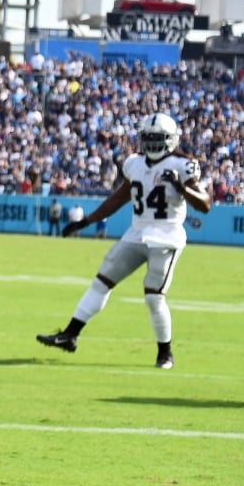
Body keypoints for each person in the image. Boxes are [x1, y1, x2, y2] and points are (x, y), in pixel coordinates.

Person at [36, 113, 211, 370]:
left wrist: (182, 187)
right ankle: (70, 335)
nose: (151, 143)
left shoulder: (183, 165)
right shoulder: (134, 163)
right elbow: (117, 199)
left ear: (171, 140)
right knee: (101, 282)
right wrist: (84, 222)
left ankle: (165, 353)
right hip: (137, 232)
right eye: (148, 138)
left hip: (167, 236)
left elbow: (205, 205)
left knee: (154, 297)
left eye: (157, 138)